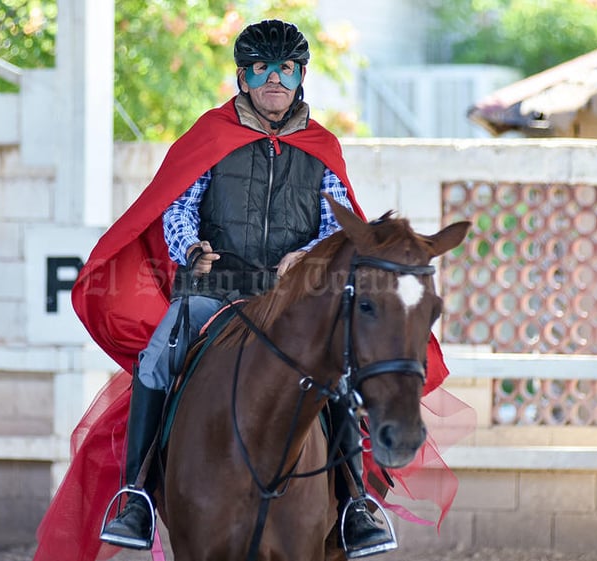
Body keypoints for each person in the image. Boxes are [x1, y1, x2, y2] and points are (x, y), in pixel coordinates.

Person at [73, 19, 395, 558]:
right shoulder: (210, 137)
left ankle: (354, 505)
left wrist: (308, 256)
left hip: (290, 299)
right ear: (243, 77)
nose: (275, 78)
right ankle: (136, 498)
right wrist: (189, 249)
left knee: (336, 377)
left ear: (299, 78)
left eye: (285, 69)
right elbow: (177, 206)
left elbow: (337, 221)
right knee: (156, 361)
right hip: (215, 289)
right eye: (262, 68)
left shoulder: (321, 147)